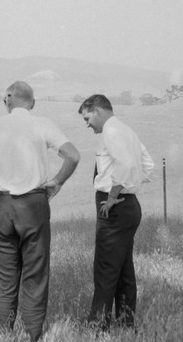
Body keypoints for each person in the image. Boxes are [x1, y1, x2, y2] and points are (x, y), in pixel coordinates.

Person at [0, 81, 80, 342]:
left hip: (3, 205)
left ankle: (4, 334)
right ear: (32, 102)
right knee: (35, 272)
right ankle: (33, 335)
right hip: (33, 204)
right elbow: (73, 155)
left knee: (6, 274)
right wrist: (56, 182)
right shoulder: (42, 123)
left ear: (7, 101)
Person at [78, 94, 154, 332]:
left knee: (105, 268)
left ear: (98, 110)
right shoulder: (126, 131)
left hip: (115, 205)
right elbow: (147, 165)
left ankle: (98, 326)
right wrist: (130, 187)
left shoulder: (111, 132)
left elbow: (127, 165)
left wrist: (112, 197)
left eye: (87, 117)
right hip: (129, 203)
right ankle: (125, 322)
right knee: (123, 268)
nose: (87, 124)